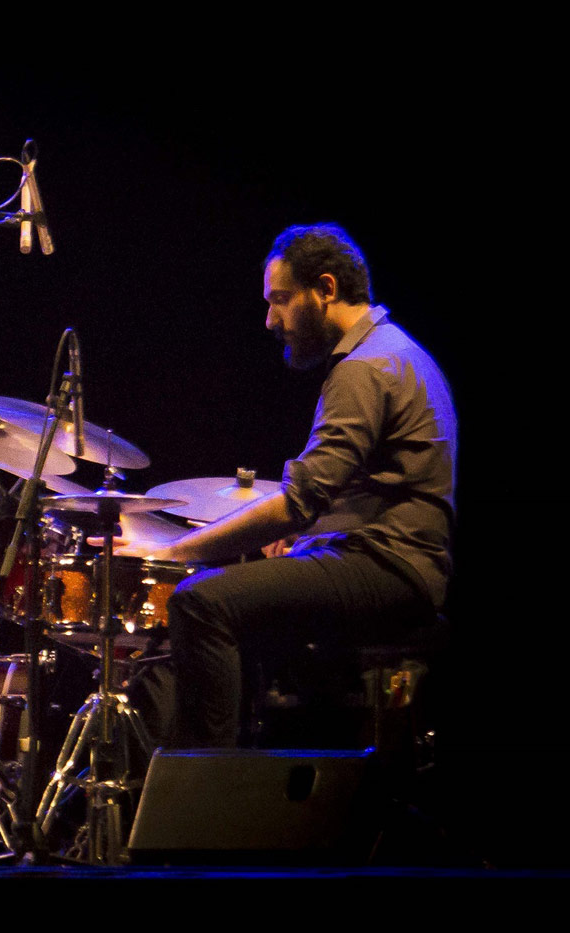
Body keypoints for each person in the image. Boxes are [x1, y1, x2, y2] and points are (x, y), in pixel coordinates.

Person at [124, 224, 456, 748]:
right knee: (234, 592)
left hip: (390, 571)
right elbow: (368, 489)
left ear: (325, 289)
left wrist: (175, 550)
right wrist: (310, 535)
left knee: (197, 601)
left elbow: (299, 501)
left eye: (280, 300)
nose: (270, 320)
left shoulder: (366, 368)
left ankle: (206, 793)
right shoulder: (394, 350)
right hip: (393, 562)